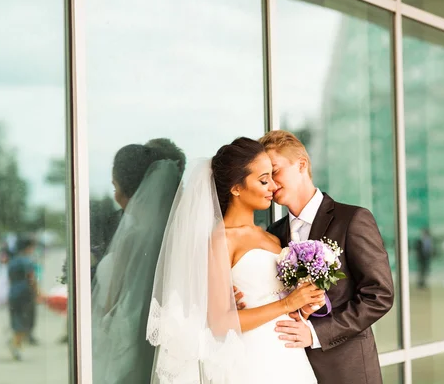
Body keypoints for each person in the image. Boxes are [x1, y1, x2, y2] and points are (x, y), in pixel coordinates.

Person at [147, 137, 325, 384]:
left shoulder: (272, 237)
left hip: (290, 357)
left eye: (273, 177)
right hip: (252, 360)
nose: (273, 186)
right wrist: (286, 305)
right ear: (236, 188)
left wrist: (302, 305)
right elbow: (220, 322)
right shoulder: (221, 240)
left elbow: (277, 297)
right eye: (264, 180)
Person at [256, 130, 395, 384]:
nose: (272, 184)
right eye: (264, 178)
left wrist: (315, 333)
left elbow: (380, 295)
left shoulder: (352, 219)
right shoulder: (273, 234)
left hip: (347, 370)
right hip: (289, 368)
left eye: (275, 171)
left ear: (302, 164)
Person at [91, 139, 185, 384]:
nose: (114, 195)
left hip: (127, 338)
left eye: (114, 186)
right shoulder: (176, 233)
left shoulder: (132, 238)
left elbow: (110, 302)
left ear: (127, 189)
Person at [7, 236, 40, 361]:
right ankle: (16, 345)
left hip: (13, 293)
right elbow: (31, 278)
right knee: (24, 320)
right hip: (25, 294)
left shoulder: (13, 260)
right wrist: (37, 292)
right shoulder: (26, 261)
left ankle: (16, 344)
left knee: (16, 319)